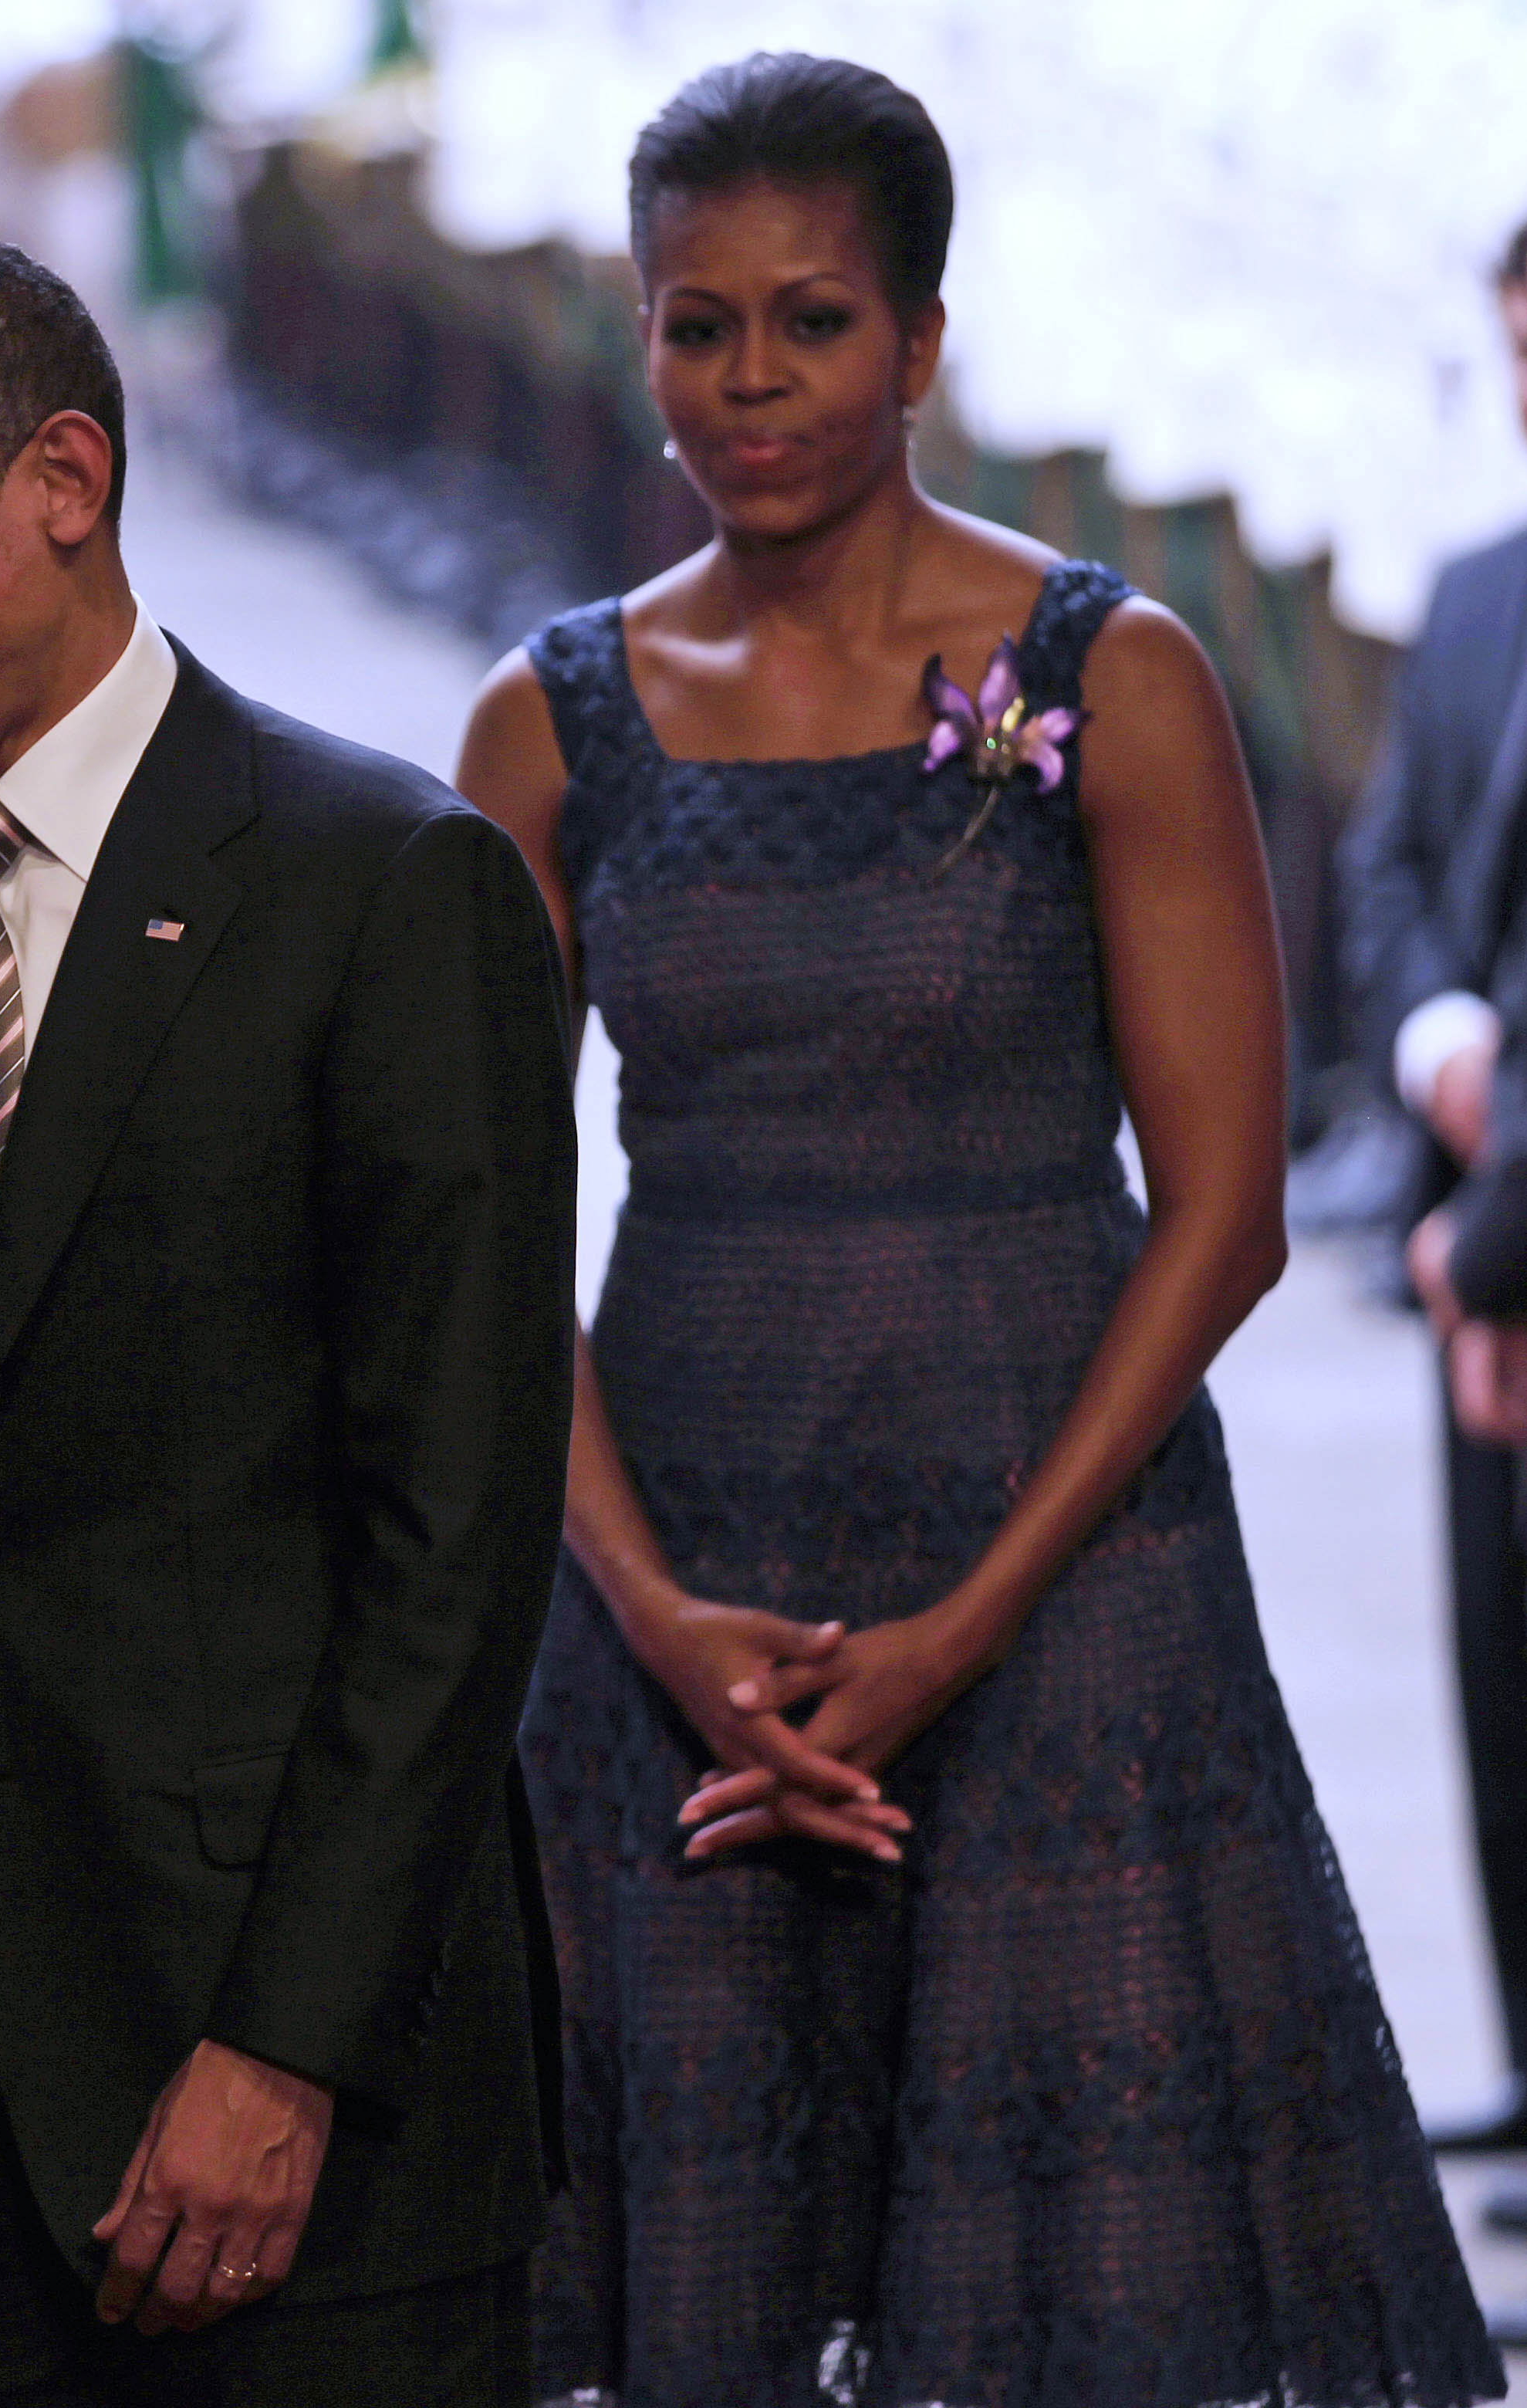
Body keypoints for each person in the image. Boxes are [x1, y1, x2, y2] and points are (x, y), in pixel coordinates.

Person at [451, 53, 1501, 2406]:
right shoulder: (548, 722)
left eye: (807, 322)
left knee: (1079, 2297)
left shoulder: (1105, 676)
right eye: (691, 323)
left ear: (923, 342)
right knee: (701, 2261)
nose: (745, 384)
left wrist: (960, 1630)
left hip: (1068, 1557)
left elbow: (1220, 1213)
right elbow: (482, 1240)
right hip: (679, 1587)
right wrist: (645, 1608)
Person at [0, 228, 579, 2406]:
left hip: (282, 2108)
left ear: (63, 477)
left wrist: (285, 2046)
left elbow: (454, 1538)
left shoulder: (386, 884)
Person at [1340, 214, 1527, 2161]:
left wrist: (1490, 1235)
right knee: (1495, 1673)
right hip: (1489, 1196)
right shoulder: (1476, 594)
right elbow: (1385, 869)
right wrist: (1438, 1050)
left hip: (1504, 1227)